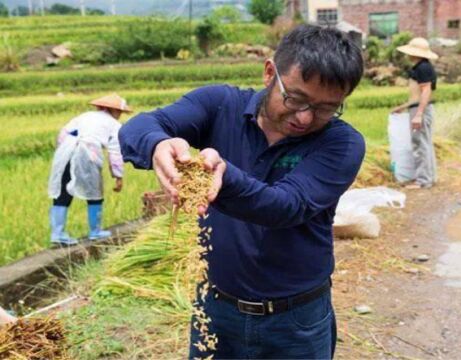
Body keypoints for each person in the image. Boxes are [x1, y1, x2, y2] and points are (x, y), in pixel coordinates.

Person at [119, 25, 365, 359]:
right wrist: (157, 144)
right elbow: (139, 126)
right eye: (295, 98)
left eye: (326, 108)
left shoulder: (341, 142)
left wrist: (224, 175)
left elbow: (285, 206)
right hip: (216, 308)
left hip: (296, 321)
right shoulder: (220, 105)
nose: (305, 118)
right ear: (269, 73)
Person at [47, 94, 131, 246]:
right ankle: (95, 231)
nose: (119, 115)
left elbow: (63, 134)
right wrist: (118, 176)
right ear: (113, 110)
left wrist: (64, 151)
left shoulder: (84, 116)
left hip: (65, 150)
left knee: (62, 190)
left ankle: (57, 234)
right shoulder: (114, 125)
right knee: (94, 190)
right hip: (88, 151)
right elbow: (115, 152)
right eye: (119, 112)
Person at [391, 37, 439, 189]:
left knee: (420, 143)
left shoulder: (422, 68)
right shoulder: (422, 67)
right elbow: (417, 95)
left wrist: (418, 114)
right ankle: (429, 178)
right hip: (419, 108)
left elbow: (426, 91)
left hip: (421, 110)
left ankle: (423, 180)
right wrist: (404, 106)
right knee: (425, 143)